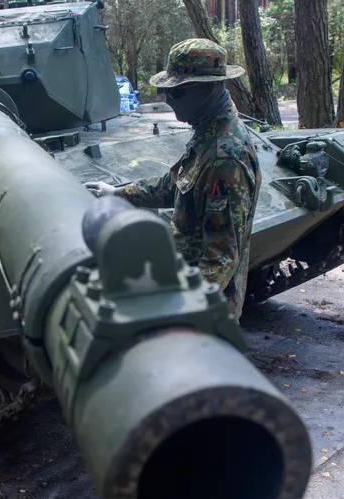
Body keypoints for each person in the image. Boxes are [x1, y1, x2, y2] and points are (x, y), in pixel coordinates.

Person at [85, 38, 261, 322]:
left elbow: (220, 259)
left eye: (175, 92)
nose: (166, 99)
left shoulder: (225, 157)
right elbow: (175, 184)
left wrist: (177, 313)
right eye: (165, 91)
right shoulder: (208, 132)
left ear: (207, 88)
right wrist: (117, 193)